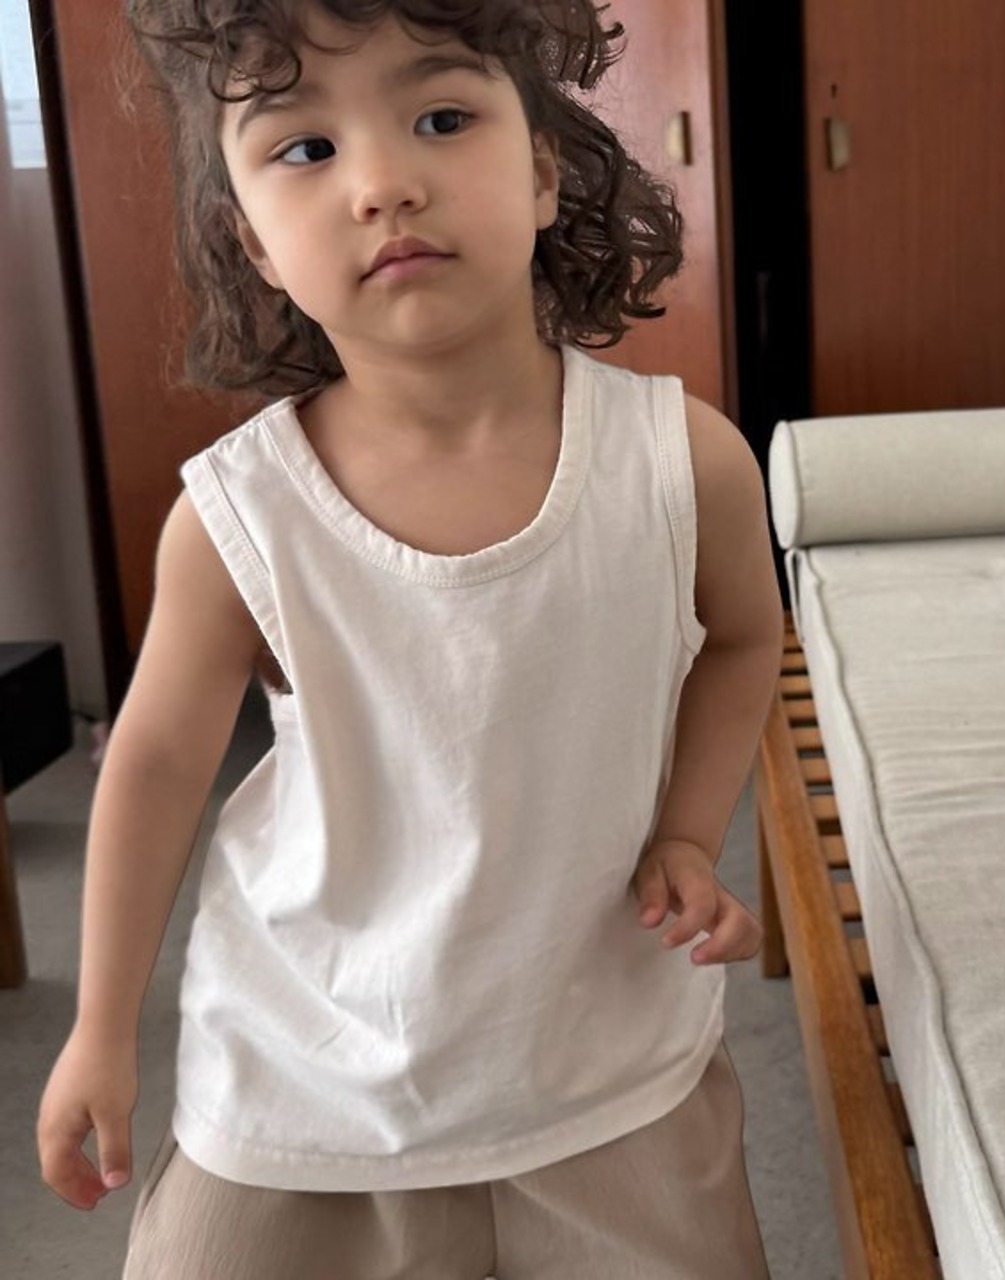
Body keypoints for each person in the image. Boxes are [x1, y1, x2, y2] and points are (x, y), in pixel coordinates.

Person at [36, 1, 783, 1275]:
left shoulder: (681, 461)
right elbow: (153, 764)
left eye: (440, 117)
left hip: (604, 1070)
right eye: (304, 148)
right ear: (253, 242)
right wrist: (99, 1027)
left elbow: (742, 640)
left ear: (541, 173)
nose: (382, 183)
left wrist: (684, 830)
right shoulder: (237, 513)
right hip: (300, 1084)